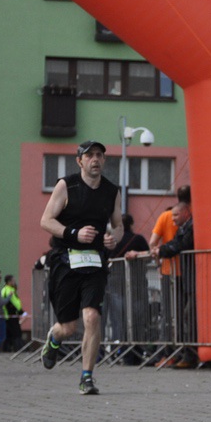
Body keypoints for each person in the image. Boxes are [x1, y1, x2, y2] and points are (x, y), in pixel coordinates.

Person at [39, 140, 122, 394]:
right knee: (69, 327)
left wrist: (113, 238)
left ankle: (87, 377)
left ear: (104, 160)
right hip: (65, 260)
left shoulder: (111, 191)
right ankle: (54, 338)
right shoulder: (67, 185)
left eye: (99, 155)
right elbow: (46, 220)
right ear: (80, 161)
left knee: (92, 317)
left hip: (95, 261)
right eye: (89, 155)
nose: (95, 159)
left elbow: (118, 225)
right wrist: (74, 233)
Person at [154, 201, 196, 367]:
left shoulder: (191, 227)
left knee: (188, 315)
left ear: (186, 212)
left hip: (192, 277)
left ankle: (190, 355)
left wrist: (161, 251)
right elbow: (175, 243)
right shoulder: (183, 228)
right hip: (186, 277)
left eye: (176, 215)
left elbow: (181, 245)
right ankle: (185, 354)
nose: (173, 219)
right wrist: (162, 249)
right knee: (184, 315)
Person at [1, 274, 24, 352]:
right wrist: (21, 311)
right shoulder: (9, 290)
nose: (15, 282)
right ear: (9, 282)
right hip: (11, 315)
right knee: (17, 333)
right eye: (13, 280)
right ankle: (18, 349)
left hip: (7, 316)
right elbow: (14, 302)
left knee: (8, 334)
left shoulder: (4, 289)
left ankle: (6, 350)